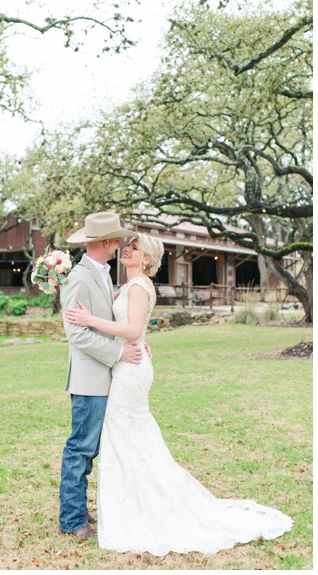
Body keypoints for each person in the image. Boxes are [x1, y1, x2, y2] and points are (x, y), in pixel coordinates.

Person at [65, 233, 293, 555]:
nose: (126, 250)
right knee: (124, 436)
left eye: (134, 248)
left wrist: (90, 320)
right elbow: (134, 329)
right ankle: (132, 504)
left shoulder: (140, 286)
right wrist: (136, 338)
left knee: (125, 433)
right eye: (126, 246)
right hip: (126, 364)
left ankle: (146, 507)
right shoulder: (130, 286)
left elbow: (132, 329)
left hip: (130, 373)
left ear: (146, 260)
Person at [57, 211, 143, 541]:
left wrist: (134, 343)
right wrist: (119, 353)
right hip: (89, 378)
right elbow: (77, 335)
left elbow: (110, 322)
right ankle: (72, 519)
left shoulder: (104, 275)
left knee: (91, 448)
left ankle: (76, 507)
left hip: (106, 377)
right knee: (80, 448)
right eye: (117, 240)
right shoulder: (78, 278)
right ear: (105, 242)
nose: (120, 245)